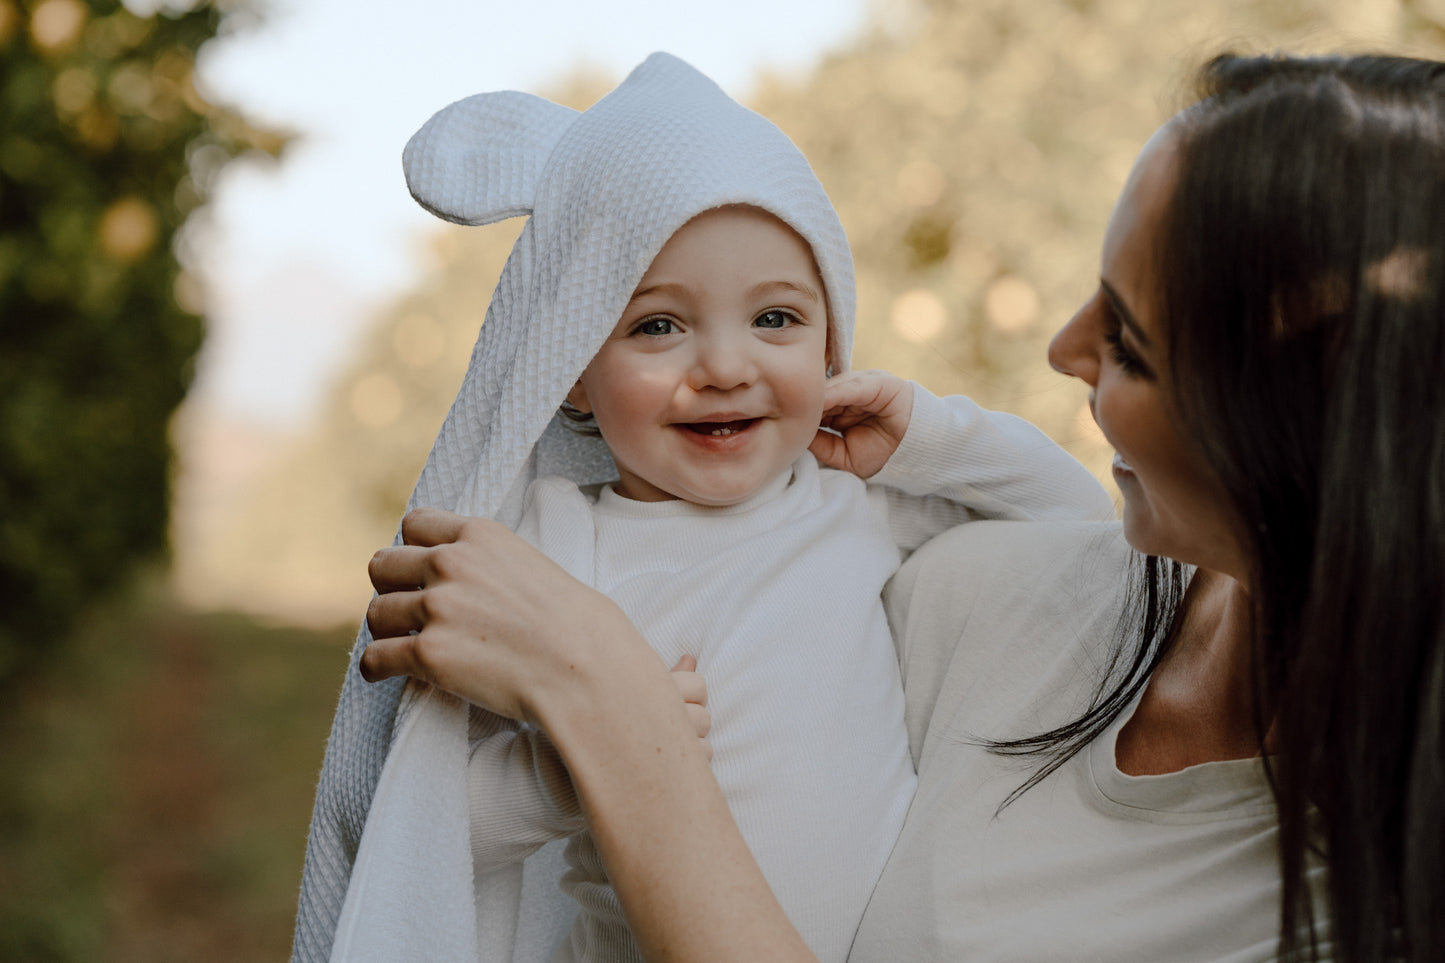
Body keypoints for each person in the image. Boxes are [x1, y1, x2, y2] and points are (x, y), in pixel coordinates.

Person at [358, 52, 1445, 962]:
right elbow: (426, 817)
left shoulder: (1348, 908)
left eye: (1125, 340)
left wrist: (608, 709)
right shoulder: (1001, 591)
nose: (1059, 352)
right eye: (654, 326)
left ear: (1318, 430)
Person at [293, 53, 1113, 963]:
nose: (725, 366)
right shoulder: (558, 547)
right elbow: (422, 819)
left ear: (832, 342)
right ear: (569, 373)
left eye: (776, 319)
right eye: (657, 325)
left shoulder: (856, 504)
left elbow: (1080, 533)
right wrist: (562, 771)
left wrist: (930, 434)